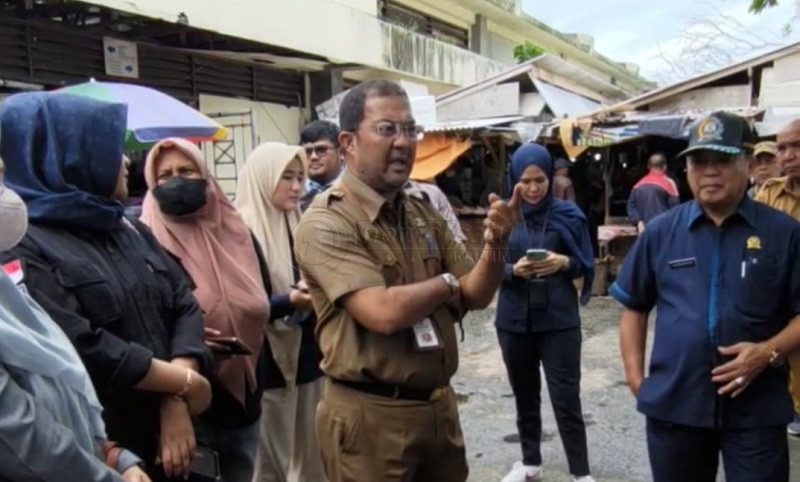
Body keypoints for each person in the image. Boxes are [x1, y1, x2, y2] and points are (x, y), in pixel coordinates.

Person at [293, 79, 520, 482]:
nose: (403, 142)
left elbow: (478, 293)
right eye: (386, 129)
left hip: (437, 410)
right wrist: (448, 283)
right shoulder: (327, 221)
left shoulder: (420, 209)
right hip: (371, 420)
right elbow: (382, 312)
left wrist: (498, 243)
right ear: (347, 143)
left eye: (409, 129)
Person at [0, 92, 212, 480]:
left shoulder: (127, 227)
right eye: (112, 148)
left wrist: (176, 392)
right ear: (72, 157)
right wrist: (182, 382)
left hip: (179, 435)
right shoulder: (22, 241)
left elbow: (183, 302)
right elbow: (82, 343)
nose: (127, 162)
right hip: (106, 449)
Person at [612, 111, 800, 482]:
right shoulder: (662, 232)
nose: (709, 171)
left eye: (722, 160)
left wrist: (767, 351)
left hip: (757, 409)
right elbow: (634, 306)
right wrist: (638, 381)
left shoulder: (785, 233)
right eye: (700, 161)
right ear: (687, 170)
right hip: (675, 407)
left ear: (747, 164)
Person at [0, 159, 150, 482]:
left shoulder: (7, 296)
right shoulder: (37, 246)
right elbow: (22, 436)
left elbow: (59, 386)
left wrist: (112, 453)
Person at [139, 138, 275, 482]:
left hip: (245, 399)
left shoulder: (238, 233)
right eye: (165, 175)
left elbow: (264, 299)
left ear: (206, 176)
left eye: (186, 171)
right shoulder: (143, 242)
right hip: (183, 408)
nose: (177, 181)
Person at [496, 144, 595, 482]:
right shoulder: (503, 217)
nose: (534, 188)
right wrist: (513, 270)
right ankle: (529, 463)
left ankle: (581, 473)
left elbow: (585, 261)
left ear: (551, 178)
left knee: (566, 398)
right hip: (513, 321)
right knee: (524, 395)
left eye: (540, 180)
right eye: (526, 181)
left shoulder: (568, 215)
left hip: (558, 321)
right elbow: (485, 266)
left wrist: (563, 261)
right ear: (514, 180)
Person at [235, 142, 326, 482]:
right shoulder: (240, 231)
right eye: (286, 177)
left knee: (315, 456)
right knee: (271, 464)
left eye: (300, 177)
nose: (296, 186)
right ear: (263, 178)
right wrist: (290, 300)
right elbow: (244, 305)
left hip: (308, 354)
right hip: (269, 362)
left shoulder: (297, 222)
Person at [754, 120, 800, 436]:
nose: (788, 155)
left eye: (797, 146)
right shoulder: (770, 195)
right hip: (782, 312)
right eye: (782, 148)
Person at [626, 153, 679, 232]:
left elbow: (630, 206)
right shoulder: (669, 184)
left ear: (648, 167)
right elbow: (676, 210)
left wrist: (638, 222)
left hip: (644, 232)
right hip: (663, 231)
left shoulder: (638, 185)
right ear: (665, 167)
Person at [299, 120, 343, 211]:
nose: (313, 157)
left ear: (341, 152)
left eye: (321, 150)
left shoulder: (355, 188)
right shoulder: (295, 192)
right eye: (308, 151)